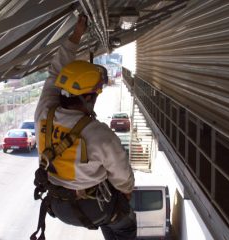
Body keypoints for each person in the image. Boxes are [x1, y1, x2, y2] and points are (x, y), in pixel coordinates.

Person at [31, 15, 136, 240]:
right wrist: (125, 193)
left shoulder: (44, 113)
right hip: (96, 209)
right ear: (89, 98)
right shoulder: (99, 135)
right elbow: (123, 178)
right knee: (124, 223)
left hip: (59, 205)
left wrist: (77, 34)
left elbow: (53, 73)